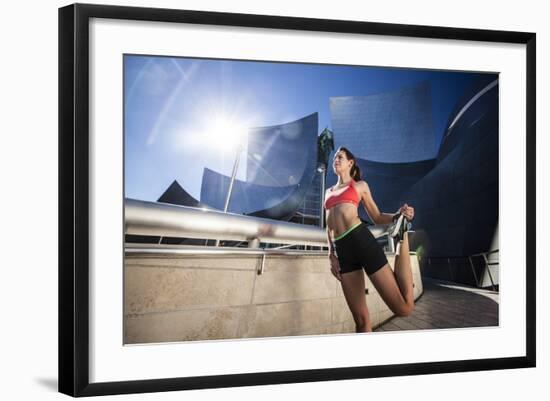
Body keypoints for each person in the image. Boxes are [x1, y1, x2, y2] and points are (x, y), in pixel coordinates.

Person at [324, 147, 415, 332]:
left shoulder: (360, 186)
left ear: (350, 163)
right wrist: (331, 254)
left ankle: (402, 235)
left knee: (404, 308)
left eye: (340, 157)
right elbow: (328, 227)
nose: (336, 159)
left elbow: (377, 216)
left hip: (361, 241)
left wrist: (399, 216)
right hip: (343, 252)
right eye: (334, 157)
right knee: (360, 319)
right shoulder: (328, 192)